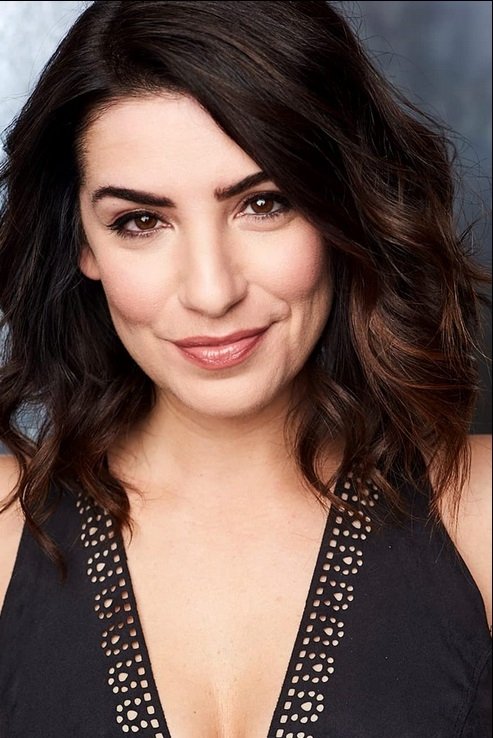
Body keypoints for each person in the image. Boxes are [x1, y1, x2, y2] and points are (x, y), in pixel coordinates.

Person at [0, 1, 491, 736]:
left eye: (263, 204)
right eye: (140, 221)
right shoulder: (5, 527)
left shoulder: (477, 513)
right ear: (84, 246)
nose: (212, 291)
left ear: (341, 208)